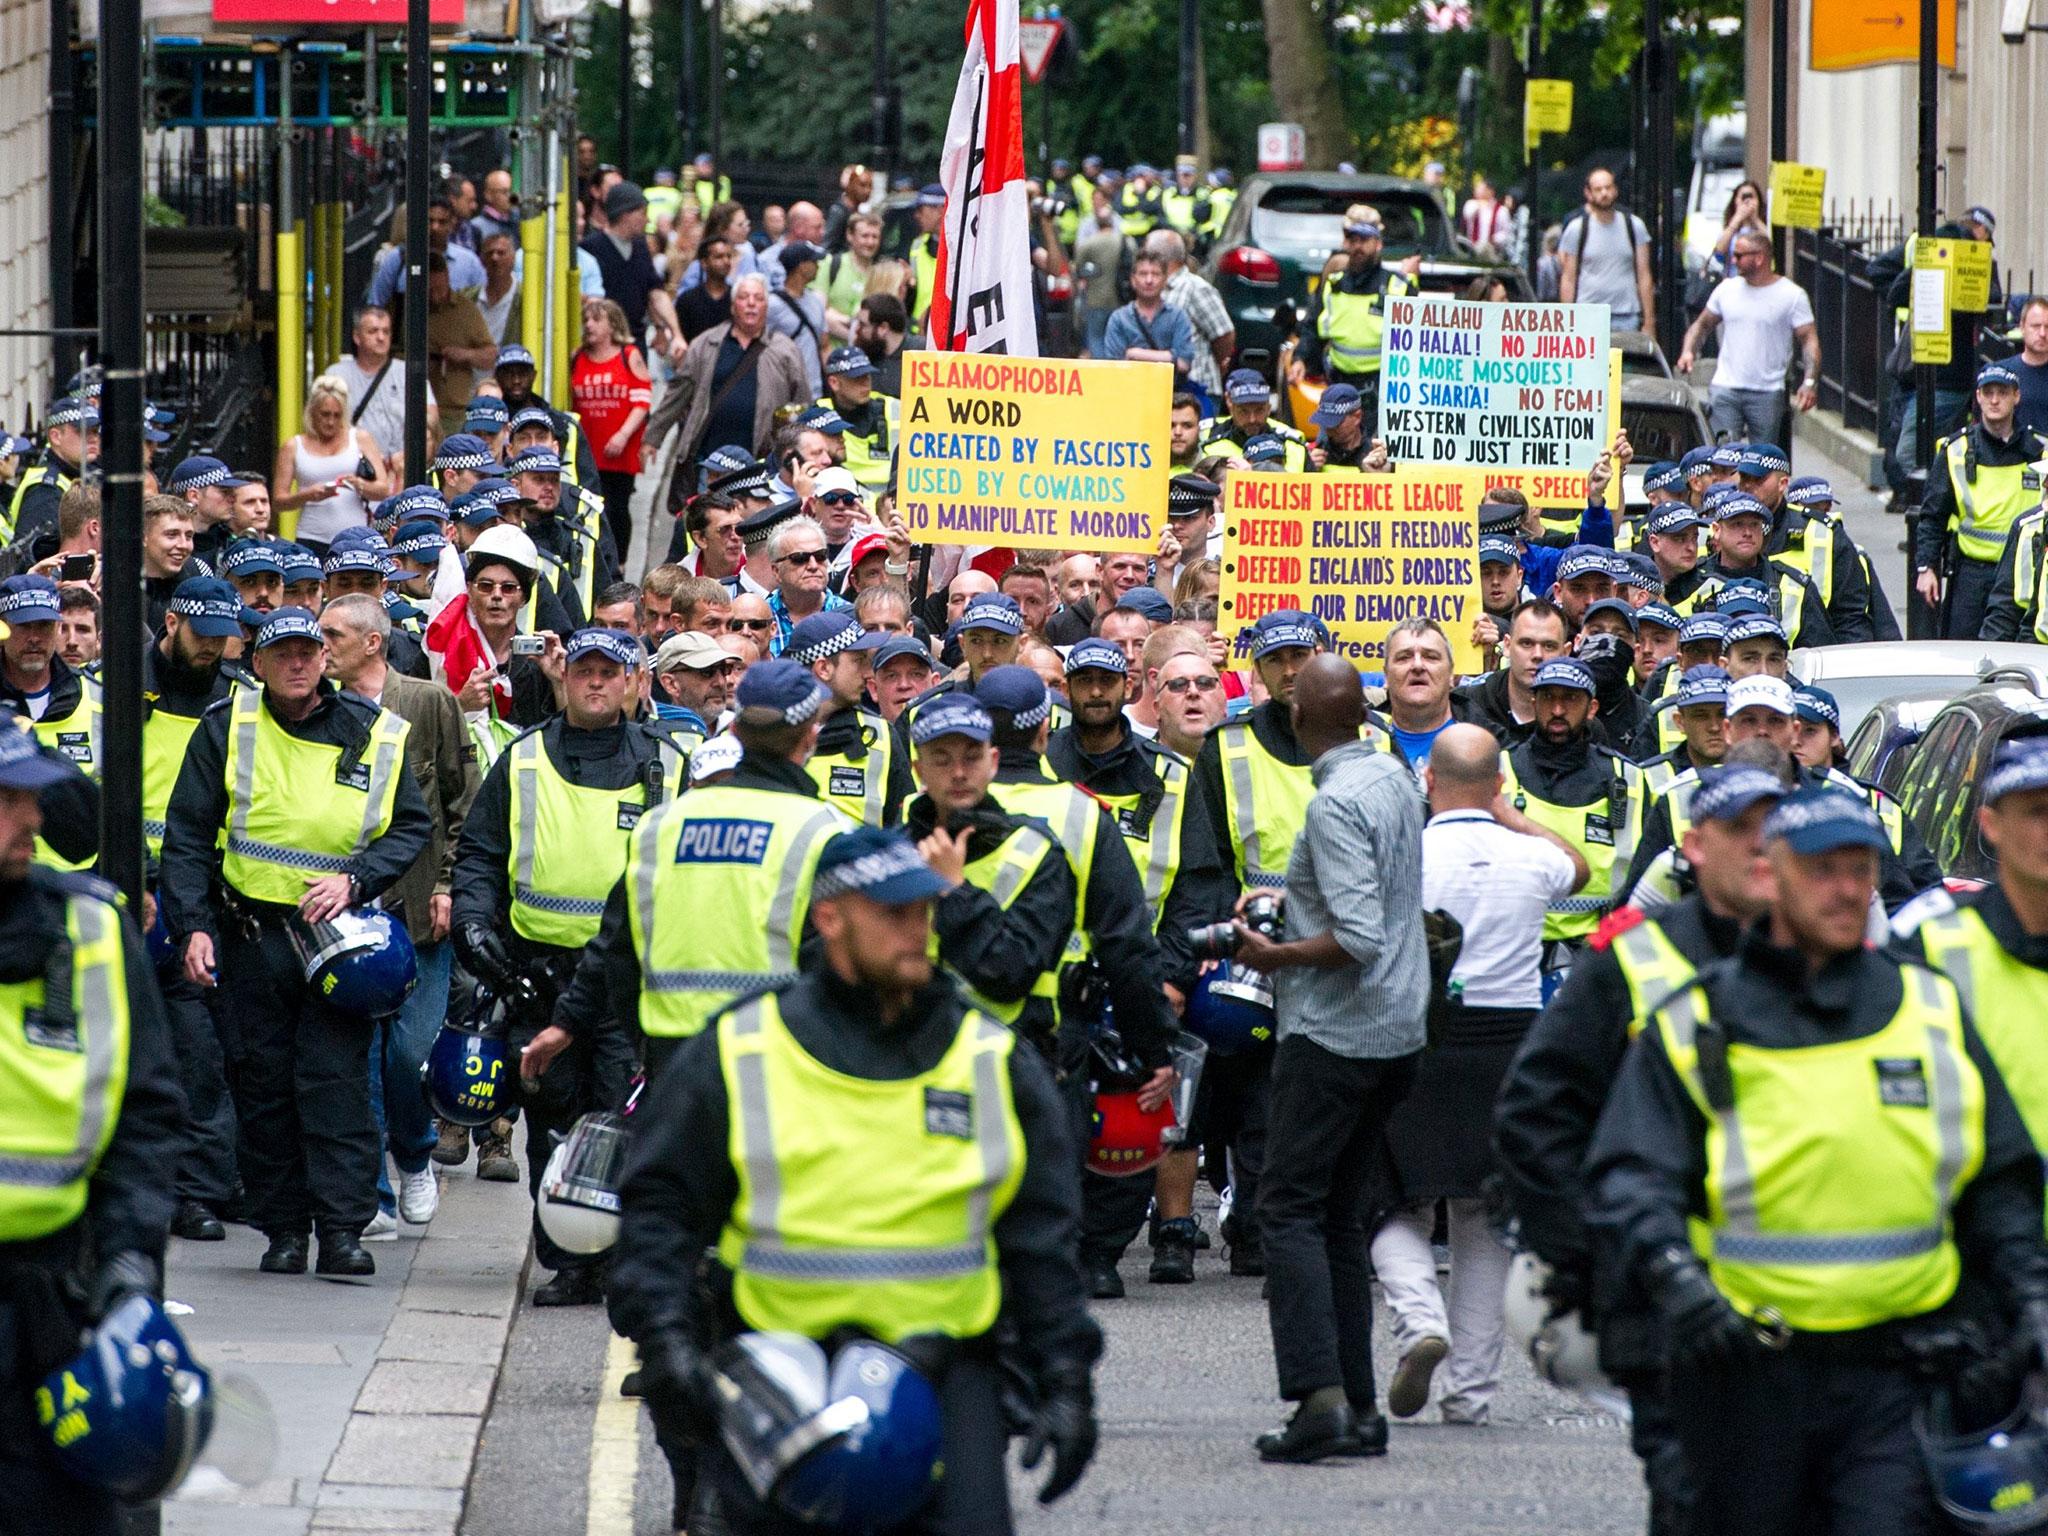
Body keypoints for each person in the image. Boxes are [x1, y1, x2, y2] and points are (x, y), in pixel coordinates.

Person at [607, 823, 1101, 1535]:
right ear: (830, 918)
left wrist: (1067, 1379)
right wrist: (669, 1345)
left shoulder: (990, 1059)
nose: (918, 932)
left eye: (925, 912)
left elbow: (1041, 1235)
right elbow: (660, 1213)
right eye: (893, 914)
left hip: (946, 1380)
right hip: (781, 1380)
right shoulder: (742, 1049)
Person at [1586, 787, 2048, 1536]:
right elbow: (1631, 1174)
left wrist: (2027, 1293)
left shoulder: (1928, 1008)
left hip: (1900, 1374)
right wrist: (1677, 1282)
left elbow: (1996, 1177)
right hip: (1744, 1372)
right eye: (1822, 869)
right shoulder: (1703, 1019)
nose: (1845, 889)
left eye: (1860, 870)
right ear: (1773, 875)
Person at [1497, 760, 1789, 1532]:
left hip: (1815, 1308)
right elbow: (1535, 1117)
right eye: (1740, 829)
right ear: (1693, 847)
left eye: (1776, 828)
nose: (1762, 847)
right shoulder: (1634, 958)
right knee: (1697, 1503)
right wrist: (1594, 1259)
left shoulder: (1836, 957)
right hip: (1671, 1313)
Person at [160, 607, 431, 1278]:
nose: (298, 662)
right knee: (264, 1090)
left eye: (309, 651)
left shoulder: (374, 734)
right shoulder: (227, 728)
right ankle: (284, 1231)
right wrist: (192, 925)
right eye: (282, 652)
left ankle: (341, 1231)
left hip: (339, 943)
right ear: (258, 663)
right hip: (251, 936)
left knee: (336, 1087)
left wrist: (356, 879)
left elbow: (409, 828)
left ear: (325, 659)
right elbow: (189, 836)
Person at [1223, 654, 1426, 1462]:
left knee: (1289, 1209)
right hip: (1397, 1034)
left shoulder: (1337, 803)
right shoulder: (1392, 778)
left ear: (1301, 720)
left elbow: (1357, 937)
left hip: (1338, 1035)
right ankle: (1359, 1406)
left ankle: (1317, 1400)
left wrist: (1274, 958)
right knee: (1340, 1215)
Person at [0, 728, 189, 1530]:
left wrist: (127, 1260)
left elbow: (146, 1116)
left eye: (32, 796)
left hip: (60, 1299)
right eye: (8, 799)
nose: (32, 818)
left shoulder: (91, 928)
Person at [1372, 723, 1587, 1426]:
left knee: (1387, 1200)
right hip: (1508, 1046)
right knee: (1486, 1220)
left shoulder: (1406, 853)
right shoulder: (1528, 858)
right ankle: (1470, 1393)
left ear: (1426, 782)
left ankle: (1417, 1315)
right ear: (1499, 784)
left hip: (1418, 1038)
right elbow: (1577, 869)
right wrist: (1511, 815)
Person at [451, 627, 666, 1306]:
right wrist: (474, 924)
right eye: (584, 671)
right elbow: (481, 855)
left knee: (621, 1118)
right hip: (540, 974)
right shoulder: (520, 761)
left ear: (633, 681)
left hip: (631, 980)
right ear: (563, 678)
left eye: (611, 671)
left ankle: (621, 1258)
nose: (596, 682)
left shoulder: (667, 765)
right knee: (554, 1120)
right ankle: (569, 1260)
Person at [318, 593, 478, 1235]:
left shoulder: (426, 701)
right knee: (358, 1060)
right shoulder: (317, 712)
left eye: (331, 634)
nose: (319, 644)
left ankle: (414, 1157)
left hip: (417, 913)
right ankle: (375, 1196)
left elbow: (460, 799)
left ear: (372, 642)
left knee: (407, 1054)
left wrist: (447, 884)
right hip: (348, 915)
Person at [1499, 656, 1647, 989]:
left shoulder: (1626, 779)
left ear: (1592, 707)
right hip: (1513, 952)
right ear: (1533, 702)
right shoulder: (1500, 770)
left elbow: (1642, 876)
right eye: (1548, 697)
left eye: (1570, 699)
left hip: (1598, 955)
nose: (1557, 709)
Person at [1914, 362, 2048, 639]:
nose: (1995, 400)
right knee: (1966, 653)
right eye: (1988, 393)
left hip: (2025, 569)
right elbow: (1933, 516)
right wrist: (1926, 567)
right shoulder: (1956, 450)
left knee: (2021, 648)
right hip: (1972, 575)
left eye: (2003, 392)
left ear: (2016, 397)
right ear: (1978, 397)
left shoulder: (2039, 450)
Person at [648, 275, 810, 498]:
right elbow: (677, 393)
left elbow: (802, 404)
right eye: (744, 297)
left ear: (766, 306)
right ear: (733, 307)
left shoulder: (785, 350)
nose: (751, 303)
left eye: (758, 298)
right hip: (711, 460)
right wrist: (652, 438)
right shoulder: (706, 344)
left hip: (760, 461)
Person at [1677, 229, 1820, 448]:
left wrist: (1809, 382)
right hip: (1726, 387)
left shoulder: (1791, 295)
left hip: (1767, 390)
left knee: (1762, 461)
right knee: (1723, 456)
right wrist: (1688, 350)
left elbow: (1808, 339)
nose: (1734, 260)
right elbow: (1702, 324)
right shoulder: (1727, 289)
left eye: (1739, 255)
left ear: (1760, 257)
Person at [1288, 206, 1420, 440]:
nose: (1357, 246)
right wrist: (1300, 359)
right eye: (1352, 239)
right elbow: (1312, 329)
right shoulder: (1333, 284)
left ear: (1378, 243)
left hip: (1383, 391)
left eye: (1364, 239)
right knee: (1329, 451)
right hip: (1339, 386)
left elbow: (1417, 342)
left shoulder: (1397, 288)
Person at [787, 611, 910, 826]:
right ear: (824, 668)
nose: (868, 673)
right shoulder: (764, 736)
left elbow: (904, 829)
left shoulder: (881, 735)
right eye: (858, 661)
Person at [571, 296, 654, 559]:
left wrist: (623, 435)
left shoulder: (628, 355)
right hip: (588, 446)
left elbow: (642, 400)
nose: (589, 325)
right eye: (586, 320)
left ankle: (619, 561)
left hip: (619, 447)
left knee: (617, 505)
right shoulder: (578, 357)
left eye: (596, 319)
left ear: (612, 324)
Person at [274, 376, 390, 556]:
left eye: (337, 415)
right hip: (311, 535)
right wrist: (307, 495)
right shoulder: (293, 446)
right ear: (312, 412)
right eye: (325, 414)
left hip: (355, 535)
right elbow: (279, 501)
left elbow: (383, 489)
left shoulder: (359, 438)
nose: (330, 422)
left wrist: (358, 484)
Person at [580, 182, 686, 365]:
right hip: (602, 347)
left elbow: (656, 293)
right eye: (643, 213)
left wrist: (672, 332)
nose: (648, 220)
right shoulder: (590, 249)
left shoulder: (640, 248)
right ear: (625, 214)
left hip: (635, 342)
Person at [1557, 167, 1655, 333]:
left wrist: (1649, 321)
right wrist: (1567, 321)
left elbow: (1644, 275)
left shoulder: (1634, 226)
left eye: (1608, 187)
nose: (1604, 193)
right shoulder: (1577, 229)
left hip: (1626, 315)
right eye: (1598, 189)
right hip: (1587, 314)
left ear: (1615, 190)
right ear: (1588, 194)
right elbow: (1568, 278)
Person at [1148, 230, 1235, 403]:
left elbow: (1224, 333)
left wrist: (1218, 364)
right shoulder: (1157, 290)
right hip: (1167, 390)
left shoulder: (1195, 288)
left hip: (1199, 390)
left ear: (1159, 257)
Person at [321, 306, 410, 464]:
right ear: (357, 337)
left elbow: (430, 420)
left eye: (386, 331)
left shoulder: (407, 373)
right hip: (350, 467)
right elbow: (321, 423)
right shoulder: (335, 375)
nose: (381, 337)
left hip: (397, 468)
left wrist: (406, 458)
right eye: (373, 331)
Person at [5, 395, 97, 545]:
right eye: (83, 431)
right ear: (56, 436)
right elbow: (33, 555)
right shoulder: (46, 490)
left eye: (95, 431)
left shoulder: (71, 475)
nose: (93, 438)